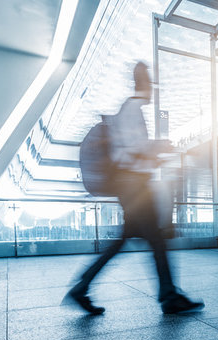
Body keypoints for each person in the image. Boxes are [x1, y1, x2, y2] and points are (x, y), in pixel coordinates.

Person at [65, 62, 203, 315]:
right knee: (156, 240)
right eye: (150, 83)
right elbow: (134, 149)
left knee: (129, 241)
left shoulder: (129, 109)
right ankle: (168, 295)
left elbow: (131, 152)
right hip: (134, 186)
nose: (152, 89)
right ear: (143, 83)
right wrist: (160, 146)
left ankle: (82, 287)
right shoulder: (132, 108)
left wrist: (155, 154)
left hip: (132, 184)